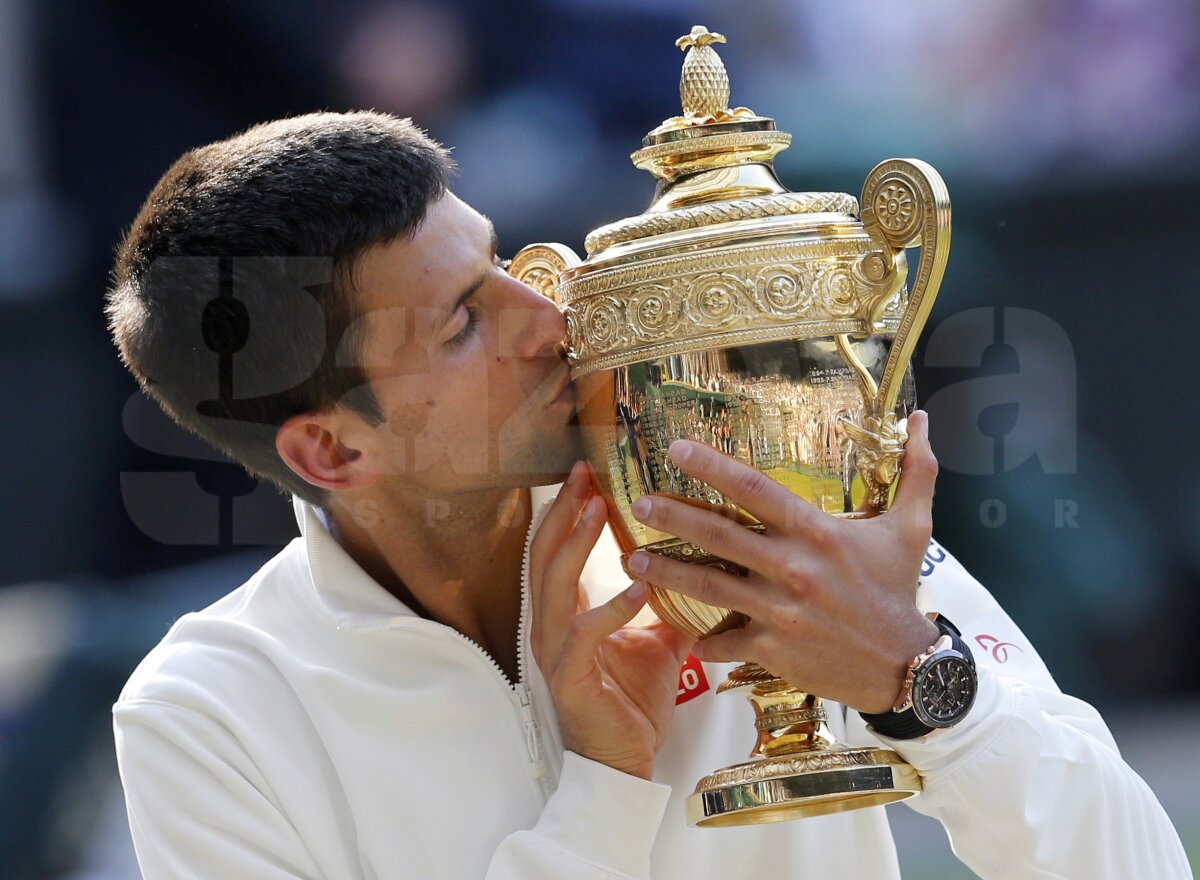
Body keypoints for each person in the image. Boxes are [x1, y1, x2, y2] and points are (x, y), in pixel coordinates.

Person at [106, 111, 1190, 879]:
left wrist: (920, 680)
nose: (548, 314)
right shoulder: (205, 716)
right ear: (332, 452)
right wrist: (601, 794)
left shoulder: (766, 506)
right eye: (463, 323)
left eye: (497, 266)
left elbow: (1134, 862)